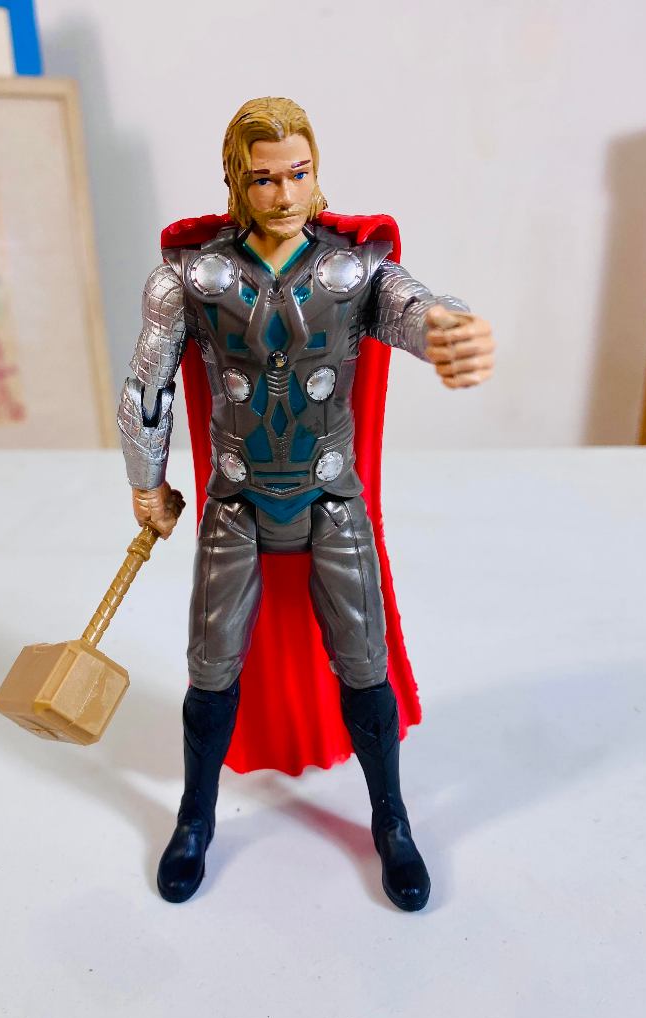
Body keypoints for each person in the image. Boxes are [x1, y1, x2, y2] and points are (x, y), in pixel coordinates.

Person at [117, 97, 495, 911]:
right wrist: (147, 481)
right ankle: (195, 819)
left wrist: (450, 329)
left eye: (298, 172)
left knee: (365, 664)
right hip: (236, 501)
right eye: (265, 179)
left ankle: (391, 820)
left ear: (315, 170)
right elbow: (148, 386)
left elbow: (414, 308)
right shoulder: (190, 278)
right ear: (237, 181)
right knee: (211, 669)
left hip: (331, 498)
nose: (285, 193)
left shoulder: (353, 270)